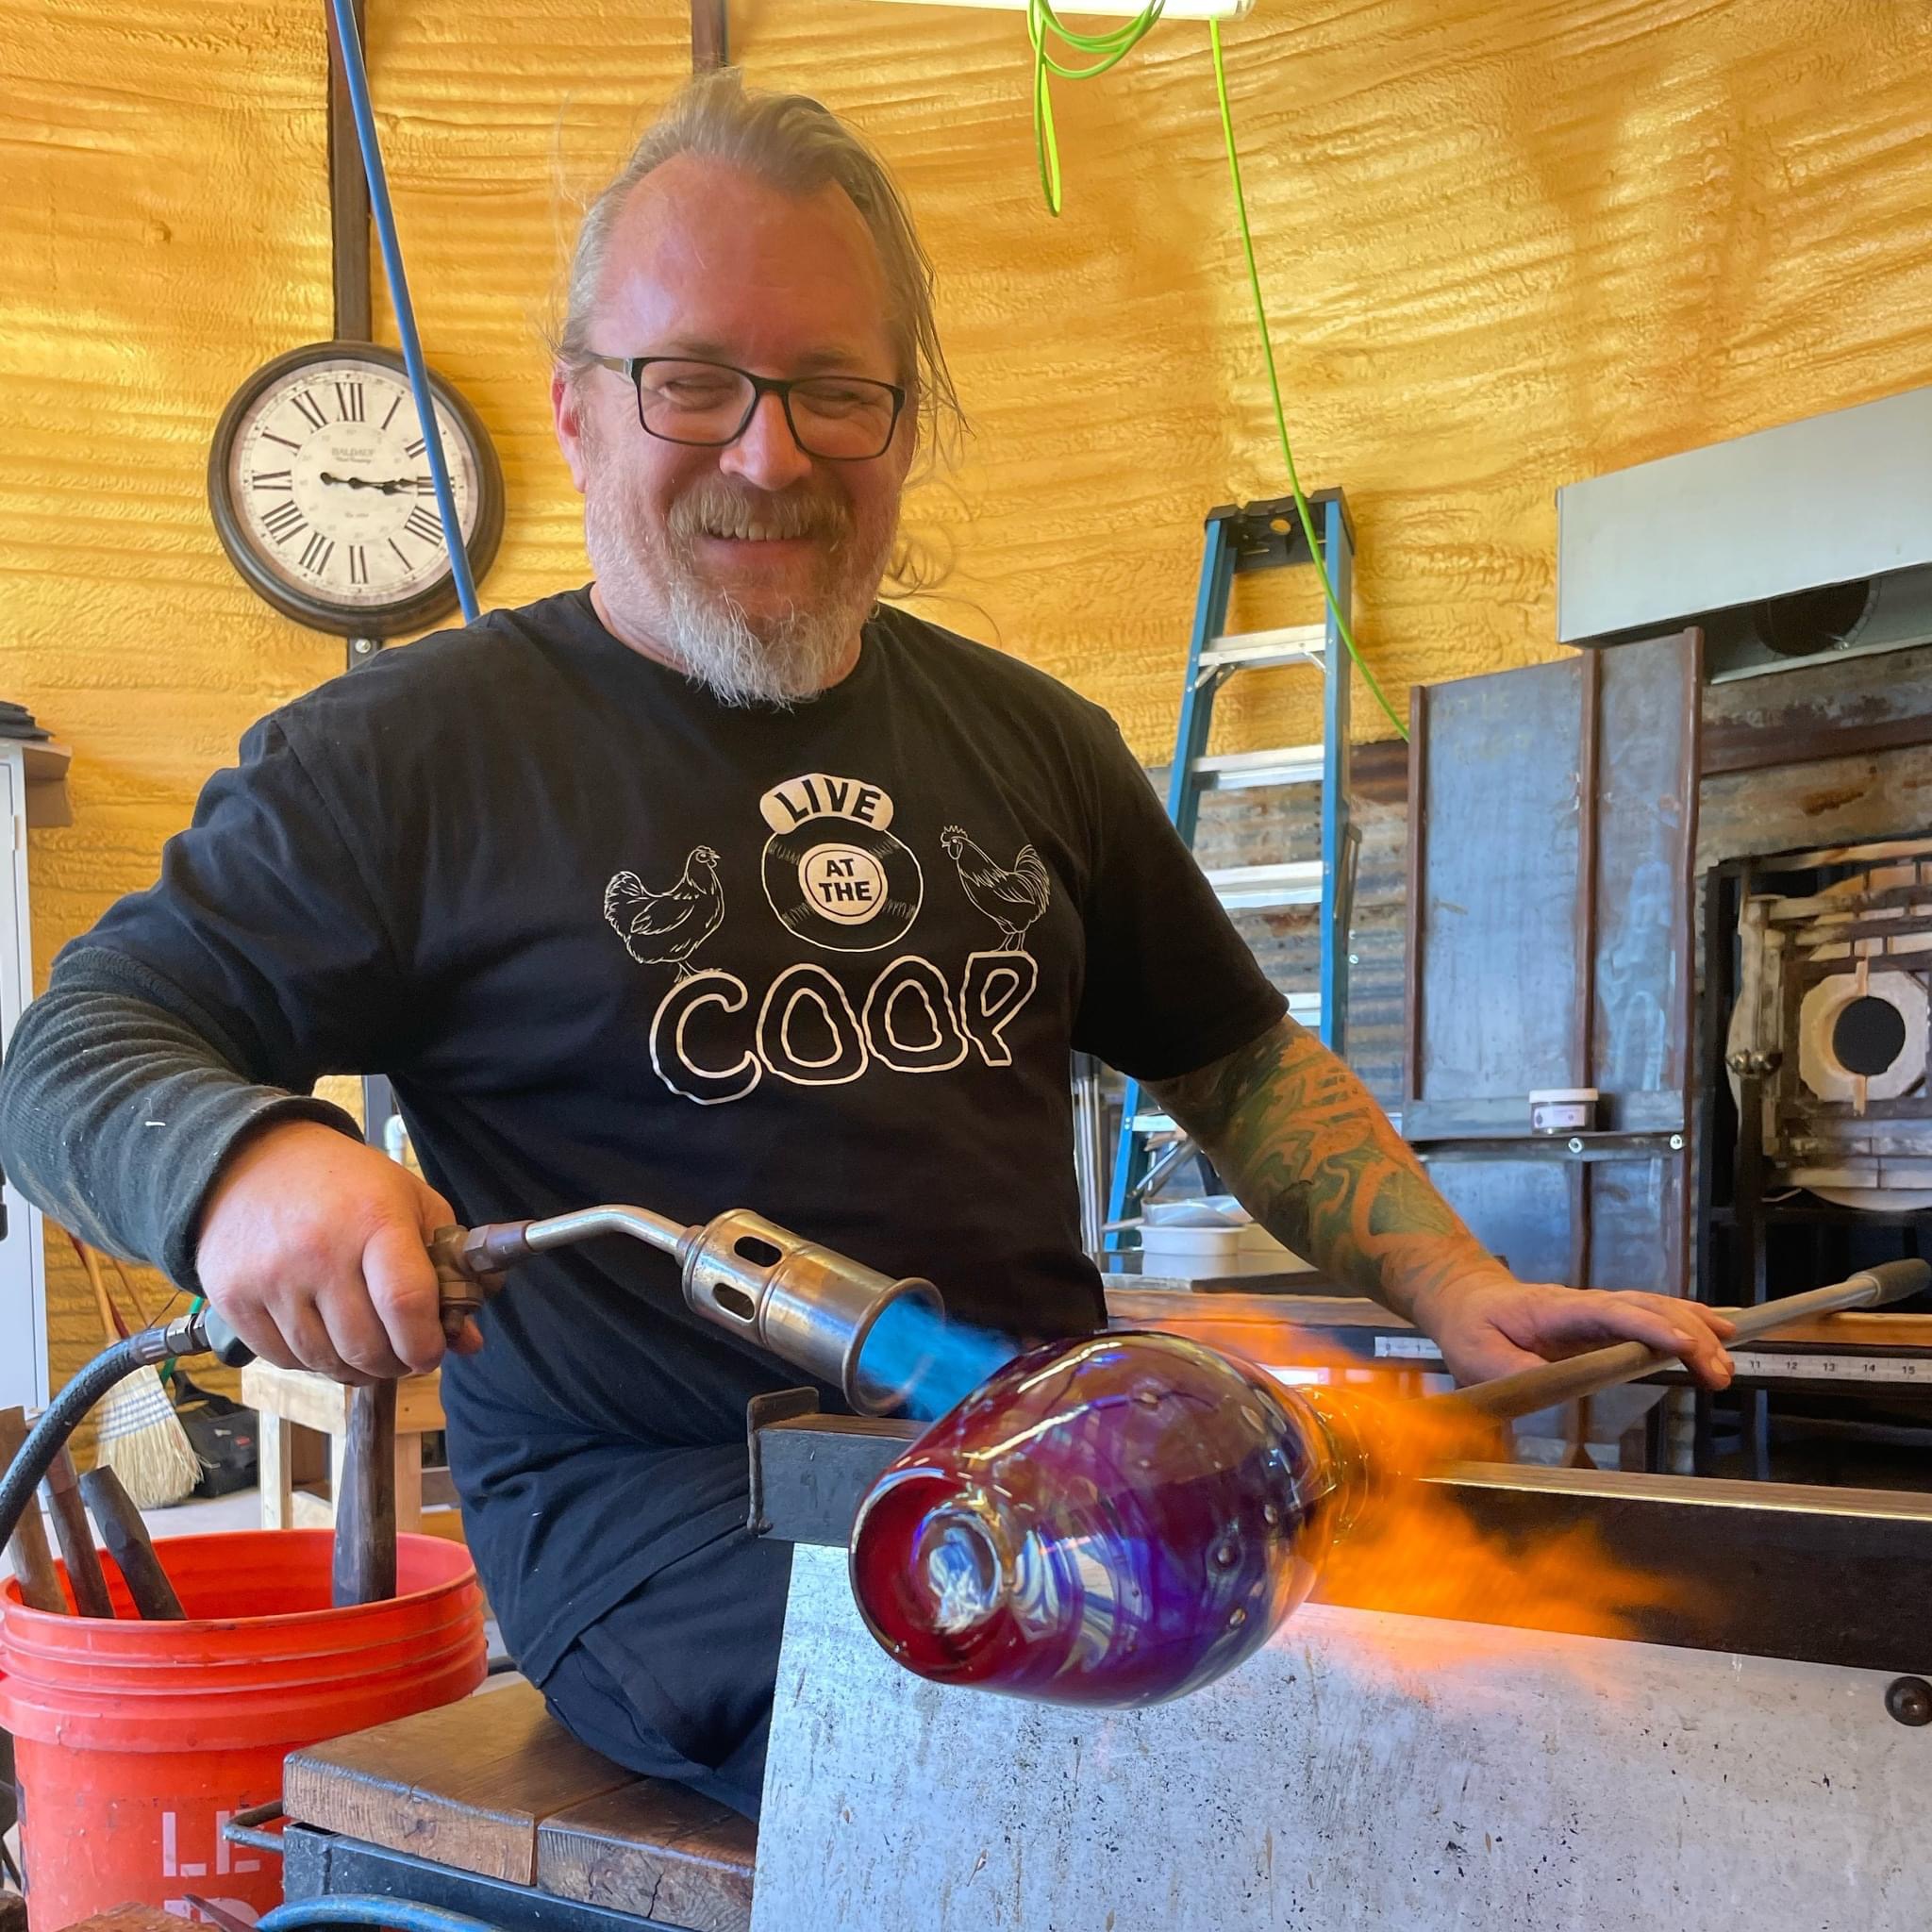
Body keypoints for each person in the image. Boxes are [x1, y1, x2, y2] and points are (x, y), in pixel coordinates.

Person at [0, 72, 1731, 1820]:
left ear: (904, 426)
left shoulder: (1032, 739)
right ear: (582, 408)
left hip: (1057, 1451)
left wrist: (1454, 1283)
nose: (773, 453)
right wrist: (244, 1164)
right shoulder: (405, 756)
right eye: (697, 383)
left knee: (1527, 1696)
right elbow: (72, 1054)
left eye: (838, 392)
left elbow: (1232, 1053)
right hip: (680, 1519)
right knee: (1158, 1773)